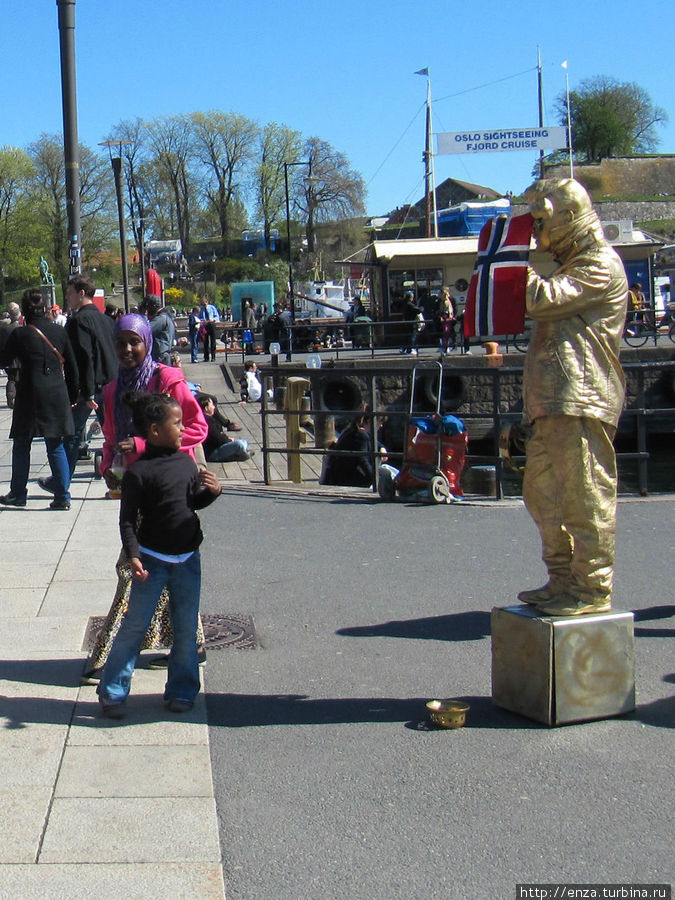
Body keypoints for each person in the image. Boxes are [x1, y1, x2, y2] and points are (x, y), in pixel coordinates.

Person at [517, 177, 628, 617]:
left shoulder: (599, 262)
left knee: (585, 495)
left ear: (567, 218)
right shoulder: (573, 264)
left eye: (541, 220)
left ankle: (592, 587)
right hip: (554, 399)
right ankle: (561, 578)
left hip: (581, 396)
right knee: (541, 494)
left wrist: (508, 263)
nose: (536, 230)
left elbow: (543, 299)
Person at [83, 312, 209, 681]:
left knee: (133, 570)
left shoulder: (167, 380)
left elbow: (197, 426)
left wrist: (141, 442)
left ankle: (107, 656)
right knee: (163, 567)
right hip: (134, 489)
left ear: (147, 343)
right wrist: (108, 464)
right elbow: (109, 437)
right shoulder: (111, 390)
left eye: (134, 342)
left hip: (170, 488)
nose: (127, 350)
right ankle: (193, 643)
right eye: (120, 343)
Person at [97, 393, 222, 718]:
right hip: (151, 560)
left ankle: (182, 690)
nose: (183, 430)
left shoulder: (185, 463)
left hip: (187, 559)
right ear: (154, 431)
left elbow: (190, 504)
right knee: (134, 626)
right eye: (177, 423)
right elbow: (127, 519)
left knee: (185, 628)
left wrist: (211, 492)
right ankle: (112, 692)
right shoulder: (139, 474)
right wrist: (134, 555)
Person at [38, 274, 117, 495]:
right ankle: (120, 476)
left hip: (89, 388)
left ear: (82, 293)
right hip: (110, 384)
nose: (68, 298)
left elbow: (85, 356)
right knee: (112, 435)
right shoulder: (107, 320)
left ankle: (61, 480)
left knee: (71, 434)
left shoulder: (78, 322)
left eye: (71, 293)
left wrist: (87, 390)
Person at [0, 289, 79, 510]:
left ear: (24, 311)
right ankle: (63, 495)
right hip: (56, 392)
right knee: (55, 445)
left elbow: (4, 359)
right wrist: (73, 395)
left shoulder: (20, 334)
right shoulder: (59, 332)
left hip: (30, 393)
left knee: (22, 444)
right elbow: (72, 366)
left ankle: (17, 493)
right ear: (45, 309)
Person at [198, 393, 253, 462]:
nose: (214, 407)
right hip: (213, 452)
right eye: (211, 405)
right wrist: (230, 440)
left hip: (219, 445)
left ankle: (241, 452)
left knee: (244, 441)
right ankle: (239, 454)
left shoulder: (211, 418)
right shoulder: (207, 421)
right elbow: (218, 439)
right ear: (206, 408)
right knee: (239, 444)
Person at [142, 294, 176, 364]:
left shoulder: (160, 319)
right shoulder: (166, 316)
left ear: (154, 307)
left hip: (160, 358)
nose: (147, 310)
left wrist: (143, 316)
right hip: (164, 356)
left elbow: (144, 331)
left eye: (147, 307)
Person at [0, 302, 22, 408]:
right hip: (19, 358)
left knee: (11, 378)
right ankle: (14, 394)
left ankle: (11, 393)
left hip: (8, 358)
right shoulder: (21, 328)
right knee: (17, 379)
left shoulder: (4, 329)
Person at [400, 290, 423, 356]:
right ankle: (410, 350)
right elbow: (418, 310)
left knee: (407, 337)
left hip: (406, 322)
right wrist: (422, 308)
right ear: (411, 298)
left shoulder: (404, 304)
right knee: (412, 337)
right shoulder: (410, 305)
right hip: (412, 323)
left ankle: (404, 348)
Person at [199, 296, 220, 361]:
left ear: (207, 302)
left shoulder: (212, 307)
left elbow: (217, 316)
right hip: (205, 325)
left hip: (211, 324)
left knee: (213, 341)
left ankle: (213, 356)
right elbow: (199, 317)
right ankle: (206, 357)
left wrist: (213, 319)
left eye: (205, 304)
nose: (204, 305)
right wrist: (202, 320)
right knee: (205, 342)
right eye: (203, 304)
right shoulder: (201, 309)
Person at [437, 286, 457, 354]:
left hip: (447, 319)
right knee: (446, 333)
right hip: (446, 319)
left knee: (447, 333)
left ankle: (448, 346)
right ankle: (446, 346)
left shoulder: (449, 300)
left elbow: (452, 310)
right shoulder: (441, 301)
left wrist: (451, 316)